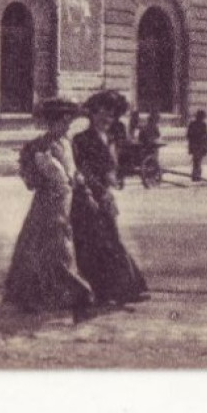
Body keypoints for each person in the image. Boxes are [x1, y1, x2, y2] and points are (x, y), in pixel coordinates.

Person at [3, 98, 95, 322]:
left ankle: (53, 294)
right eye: (64, 123)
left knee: (52, 243)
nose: (66, 127)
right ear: (53, 122)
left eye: (68, 123)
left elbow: (73, 173)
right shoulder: (40, 146)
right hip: (49, 201)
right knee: (51, 243)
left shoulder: (65, 143)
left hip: (66, 199)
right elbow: (35, 179)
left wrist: (86, 189)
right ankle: (70, 293)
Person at [71, 91, 149, 309]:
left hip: (105, 196)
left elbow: (114, 168)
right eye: (102, 113)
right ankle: (102, 293)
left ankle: (124, 290)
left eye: (111, 115)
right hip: (87, 198)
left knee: (111, 240)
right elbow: (83, 170)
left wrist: (112, 182)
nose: (107, 119)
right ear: (92, 114)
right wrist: (100, 191)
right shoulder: (81, 140)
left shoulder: (111, 139)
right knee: (95, 244)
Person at [186, 109, 207, 183]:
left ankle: (195, 176)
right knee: (198, 161)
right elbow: (205, 136)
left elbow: (205, 136)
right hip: (198, 146)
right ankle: (196, 176)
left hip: (196, 146)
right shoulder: (202, 125)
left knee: (196, 161)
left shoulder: (194, 124)